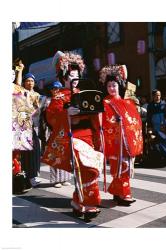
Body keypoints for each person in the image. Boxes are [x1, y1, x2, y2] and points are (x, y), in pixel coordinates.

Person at [42, 51, 103, 220]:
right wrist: (66, 113)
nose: (74, 79)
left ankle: (77, 202)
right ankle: (91, 203)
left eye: (76, 76)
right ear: (64, 77)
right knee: (87, 169)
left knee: (89, 169)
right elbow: (51, 116)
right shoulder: (58, 96)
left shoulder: (86, 91)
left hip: (88, 136)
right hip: (73, 136)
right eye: (71, 76)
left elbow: (95, 114)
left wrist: (96, 112)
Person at [99, 65, 143, 205]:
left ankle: (119, 193)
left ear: (119, 86)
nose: (112, 88)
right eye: (109, 86)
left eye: (114, 85)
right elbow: (103, 122)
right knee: (118, 169)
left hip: (127, 142)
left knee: (126, 168)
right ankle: (123, 194)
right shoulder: (105, 103)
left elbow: (135, 120)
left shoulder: (127, 102)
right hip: (114, 142)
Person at [15, 64, 41, 188]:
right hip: (23, 125)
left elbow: (37, 108)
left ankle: (33, 174)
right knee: (26, 151)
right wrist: (20, 70)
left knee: (36, 149)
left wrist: (34, 112)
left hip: (32, 125)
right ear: (24, 82)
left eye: (32, 81)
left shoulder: (36, 95)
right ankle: (28, 176)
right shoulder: (22, 92)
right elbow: (18, 85)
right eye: (28, 81)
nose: (30, 83)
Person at [43, 81, 72, 188]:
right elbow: (49, 116)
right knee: (55, 154)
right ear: (51, 90)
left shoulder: (65, 99)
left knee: (65, 154)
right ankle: (55, 180)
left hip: (65, 129)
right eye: (54, 89)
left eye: (58, 89)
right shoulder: (50, 101)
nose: (56, 91)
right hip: (55, 130)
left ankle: (65, 178)